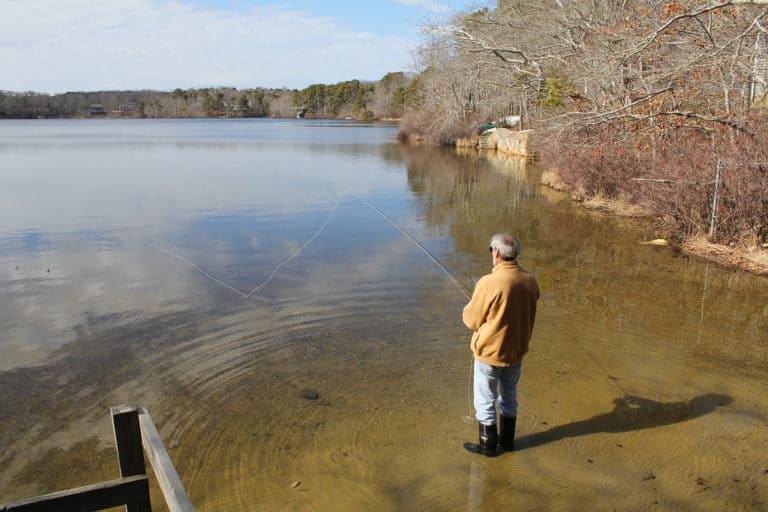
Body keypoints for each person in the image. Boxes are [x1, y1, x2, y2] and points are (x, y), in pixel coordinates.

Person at [462, 233, 540, 456]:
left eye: (490, 250)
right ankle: (507, 444)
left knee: (485, 400)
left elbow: (471, 320)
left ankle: (488, 449)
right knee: (509, 397)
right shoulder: (531, 280)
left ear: (496, 253)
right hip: (516, 353)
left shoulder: (488, 282)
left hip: (489, 354)